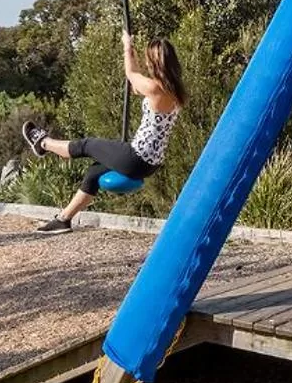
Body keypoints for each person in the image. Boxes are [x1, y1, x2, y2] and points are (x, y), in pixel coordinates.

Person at [22, 31, 186, 235]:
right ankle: (63, 220)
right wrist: (133, 56)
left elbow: (131, 75)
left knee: (87, 145)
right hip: (151, 163)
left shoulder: (155, 87)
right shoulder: (176, 91)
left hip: (136, 157)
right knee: (94, 173)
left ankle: (42, 142)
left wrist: (127, 46)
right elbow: (135, 85)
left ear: (154, 62)